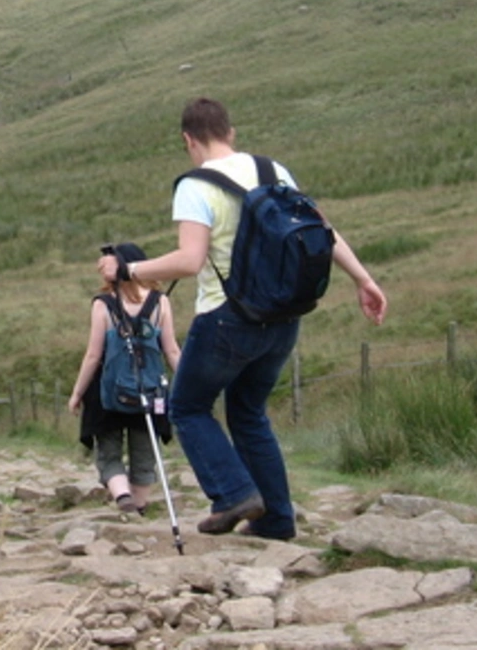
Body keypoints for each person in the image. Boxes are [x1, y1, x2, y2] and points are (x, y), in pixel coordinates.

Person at [96, 98, 387, 541]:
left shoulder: (195, 185)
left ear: (188, 140)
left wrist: (130, 270)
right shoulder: (275, 172)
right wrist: (364, 280)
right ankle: (276, 520)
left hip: (227, 319)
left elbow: (190, 261)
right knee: (249, 412)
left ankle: (234, 495)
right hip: (284, 317)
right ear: (230, 132)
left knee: (188, 407)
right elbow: (321, 233)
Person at [69, 243, 183, 516]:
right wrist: (190, 386)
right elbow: (172, 350)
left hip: (107, 392)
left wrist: (77, 394)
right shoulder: (160, 302)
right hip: (150, 389)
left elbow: (94, 355)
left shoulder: (103, 305)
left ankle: (123, 498)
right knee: (145, 451)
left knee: (108, 451)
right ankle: (140, 506)